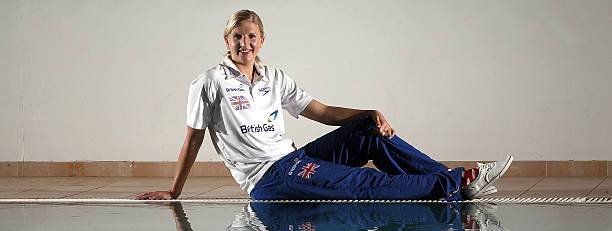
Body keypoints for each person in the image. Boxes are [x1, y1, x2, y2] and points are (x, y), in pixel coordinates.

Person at [136, 10, 512, 202]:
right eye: (238, 37)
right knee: (362, 182)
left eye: (252, 36)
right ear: (227, 40)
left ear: (262, 40)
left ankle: (454, 181)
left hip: (294, 160)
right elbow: (193, 139)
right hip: (269, 179)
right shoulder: (209, 82)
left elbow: (324, 113)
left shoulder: (274, 77)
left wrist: (367, 113)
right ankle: (456, 181)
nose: (244, 43)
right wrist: (175, 191)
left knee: (368, 134)